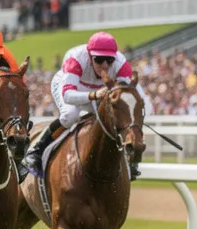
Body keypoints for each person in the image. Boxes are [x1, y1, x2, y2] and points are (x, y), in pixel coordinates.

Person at [22, 31, 146, 180]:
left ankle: (129, 159)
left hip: (100, 91)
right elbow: (68, 96)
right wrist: (93, 95)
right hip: (70, 87)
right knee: (70, 115)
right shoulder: (76, 59)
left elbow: (125, 98)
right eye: (99, 60)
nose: (105, 65)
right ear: (90, 55)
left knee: (111, 119)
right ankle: (36, 151)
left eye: (109, 60)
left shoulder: (122, 65)